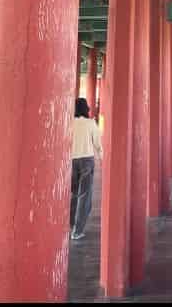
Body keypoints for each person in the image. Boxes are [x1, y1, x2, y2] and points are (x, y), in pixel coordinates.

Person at [70, 97, 102, 240]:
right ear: (86, 109)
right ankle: (77, 230)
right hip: (87, 161)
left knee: (74, 194)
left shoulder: (69, 122)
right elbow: (97, 143)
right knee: (84, 196)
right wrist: (101, 157)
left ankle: (71, 226)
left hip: (72, 160)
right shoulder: (90, 123)